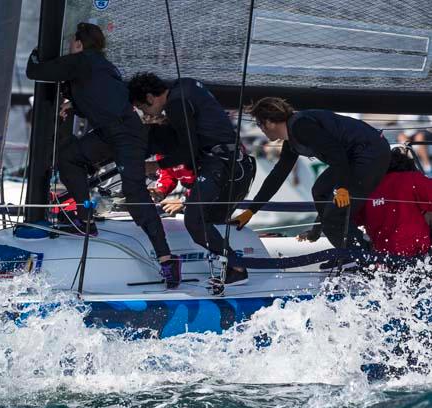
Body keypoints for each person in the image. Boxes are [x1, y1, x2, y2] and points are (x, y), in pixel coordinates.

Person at [25, 23, 181, 288]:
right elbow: (96, 103)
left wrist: (37, 51)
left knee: (135, 195)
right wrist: (72, 103)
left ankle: (167, 260)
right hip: (111, 131)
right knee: (69, 157)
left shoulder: (82, 61)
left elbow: (34, 72)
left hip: (126, 134)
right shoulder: (102, 66)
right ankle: (85, 220)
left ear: (78, 43)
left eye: (72, 43)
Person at [128, 73, 256, 287]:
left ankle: (237, 268)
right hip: (228, 160)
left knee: (194, 220)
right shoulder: (184, 84)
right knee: (204, 217)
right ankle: (229, 261)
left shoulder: (175, 104)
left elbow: (187, 151)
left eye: (143, 107)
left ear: (150, 97)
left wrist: (154, 165)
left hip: (222, 163)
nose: (146, 112)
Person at [234, 97, 391, 266]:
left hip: (369, 153)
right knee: (320, 190)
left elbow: (337, 153)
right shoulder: (292, 138)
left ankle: (359, 256)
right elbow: (278, 175)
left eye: (259, 124)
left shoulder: (302, 127)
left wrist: (343, 188)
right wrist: (251, 211)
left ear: (270, 122)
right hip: (354, 157)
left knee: (335, 214)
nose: (261, 129)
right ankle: (344, 249)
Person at [354, 147, 432, 257]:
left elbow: (351, 219)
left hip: (381, 258)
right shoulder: (411, 179)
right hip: (417, 256)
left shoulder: (367, 190)